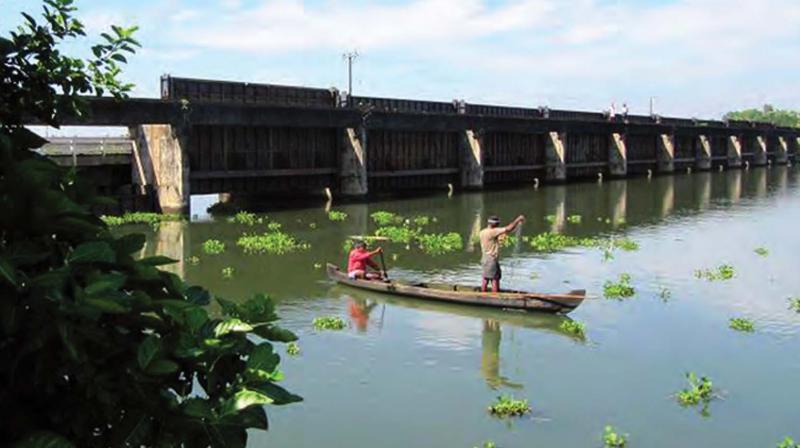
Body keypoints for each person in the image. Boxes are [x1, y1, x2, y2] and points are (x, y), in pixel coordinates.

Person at [479, 214, 525, 293]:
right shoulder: (492, 232)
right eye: (497, 224)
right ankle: (495, 296)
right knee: (495, 279)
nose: (498, 226)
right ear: (494, 224)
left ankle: (483, 294)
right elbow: (508, 229)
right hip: (491, 259)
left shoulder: (483, 232)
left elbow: (498, 236)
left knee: (485, 278)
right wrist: (517, 220)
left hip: (484, 258)